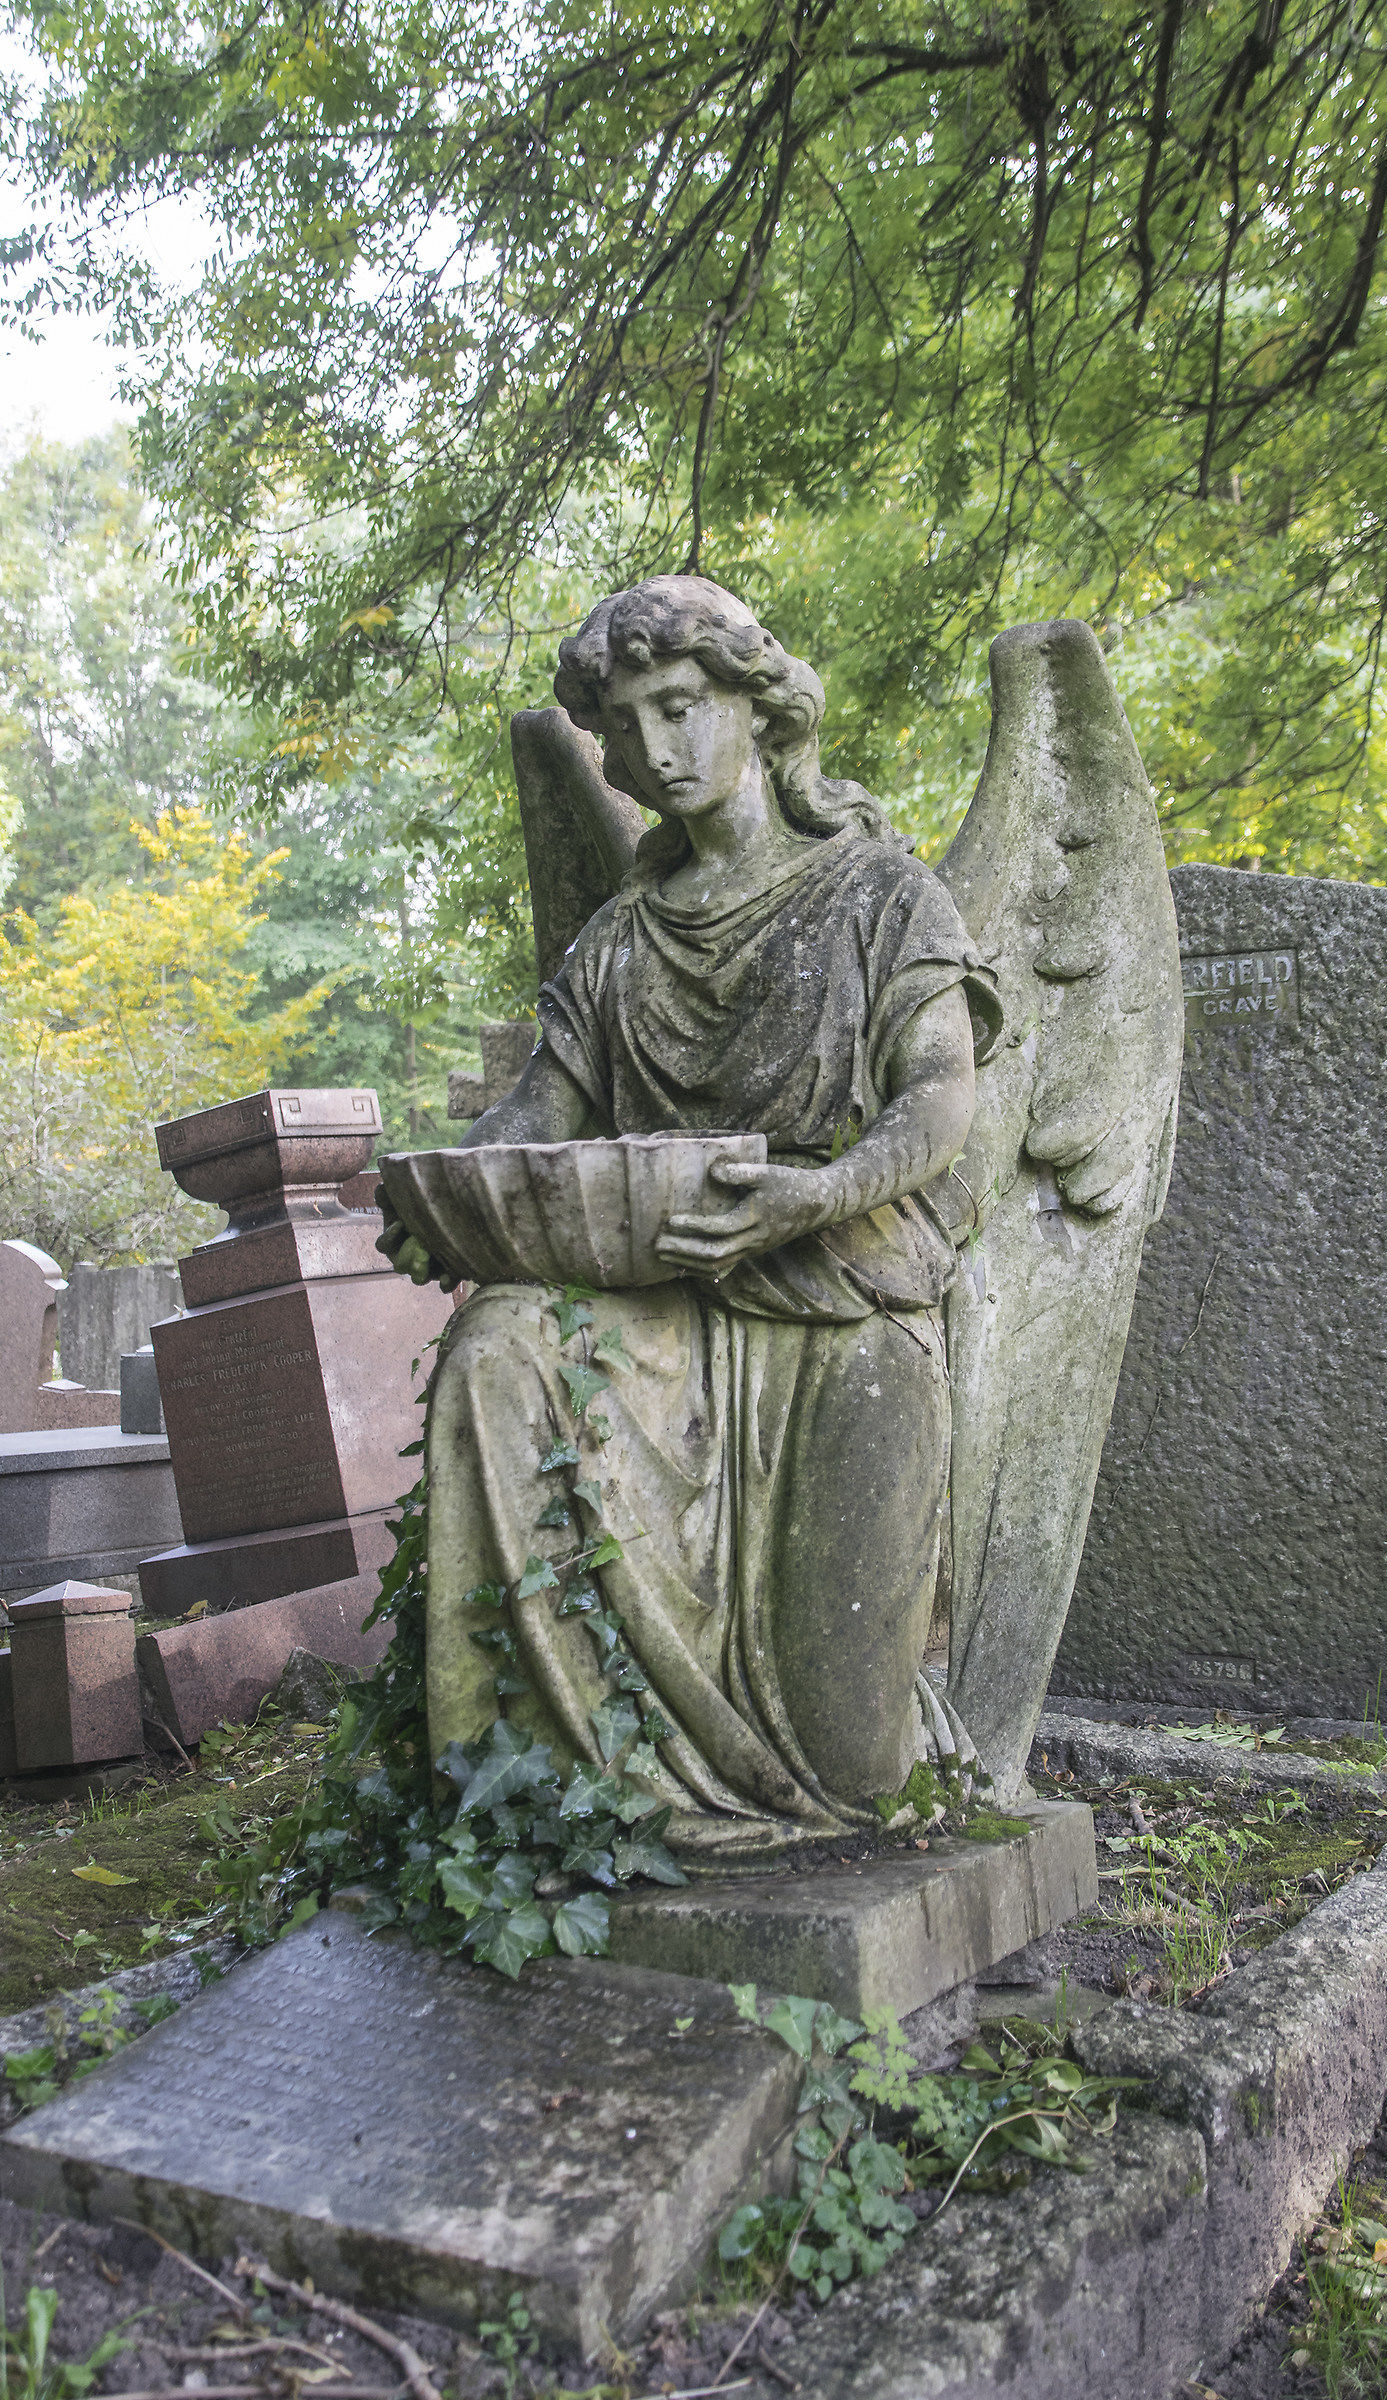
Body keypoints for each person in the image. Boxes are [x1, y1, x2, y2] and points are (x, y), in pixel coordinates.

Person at [381, 575, 1001, 1852]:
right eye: (627, 723)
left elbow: (941, 1099)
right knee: (499, 1343)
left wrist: (817, 1193)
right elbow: (533, 1122)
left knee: (858, 1771)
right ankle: (555, 1798)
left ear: (760, 708)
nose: (654, 750)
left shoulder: (883, 894)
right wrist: (450, 1204)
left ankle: (915, 1720)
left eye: (681, 706)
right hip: (666, 1319)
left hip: (847, 1316)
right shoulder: (617, 944)